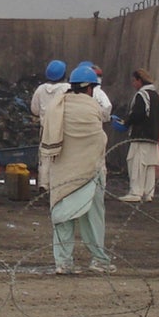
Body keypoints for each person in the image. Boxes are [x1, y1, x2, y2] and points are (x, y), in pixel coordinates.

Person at [40, 64, 116, 274]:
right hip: (89, 171)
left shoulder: (59, 103)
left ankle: (63, 263)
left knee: (63, 216)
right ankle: (99, 260)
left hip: (63, 172)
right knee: (93, 218)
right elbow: (98, 139)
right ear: (90, 88)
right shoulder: (91, 107)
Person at [115, 68, 159, 202]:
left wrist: (126, 122)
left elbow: (137, 115)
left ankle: (136, 192)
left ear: (139, 80)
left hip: (141, 136)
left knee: (136, 163)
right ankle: (149, 193)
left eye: (134, 80)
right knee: (149, 166)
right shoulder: (156, 96)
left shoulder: (142, 96)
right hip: (153, 136)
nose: (132, 83)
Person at [30, 59, 69, 192]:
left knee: (45, 156)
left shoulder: (40, 89)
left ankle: (43, 184)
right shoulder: (66, 89)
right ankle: (58, 185)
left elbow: (34, 109)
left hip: (45, 128)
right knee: (60, 156)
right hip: (62, 128)